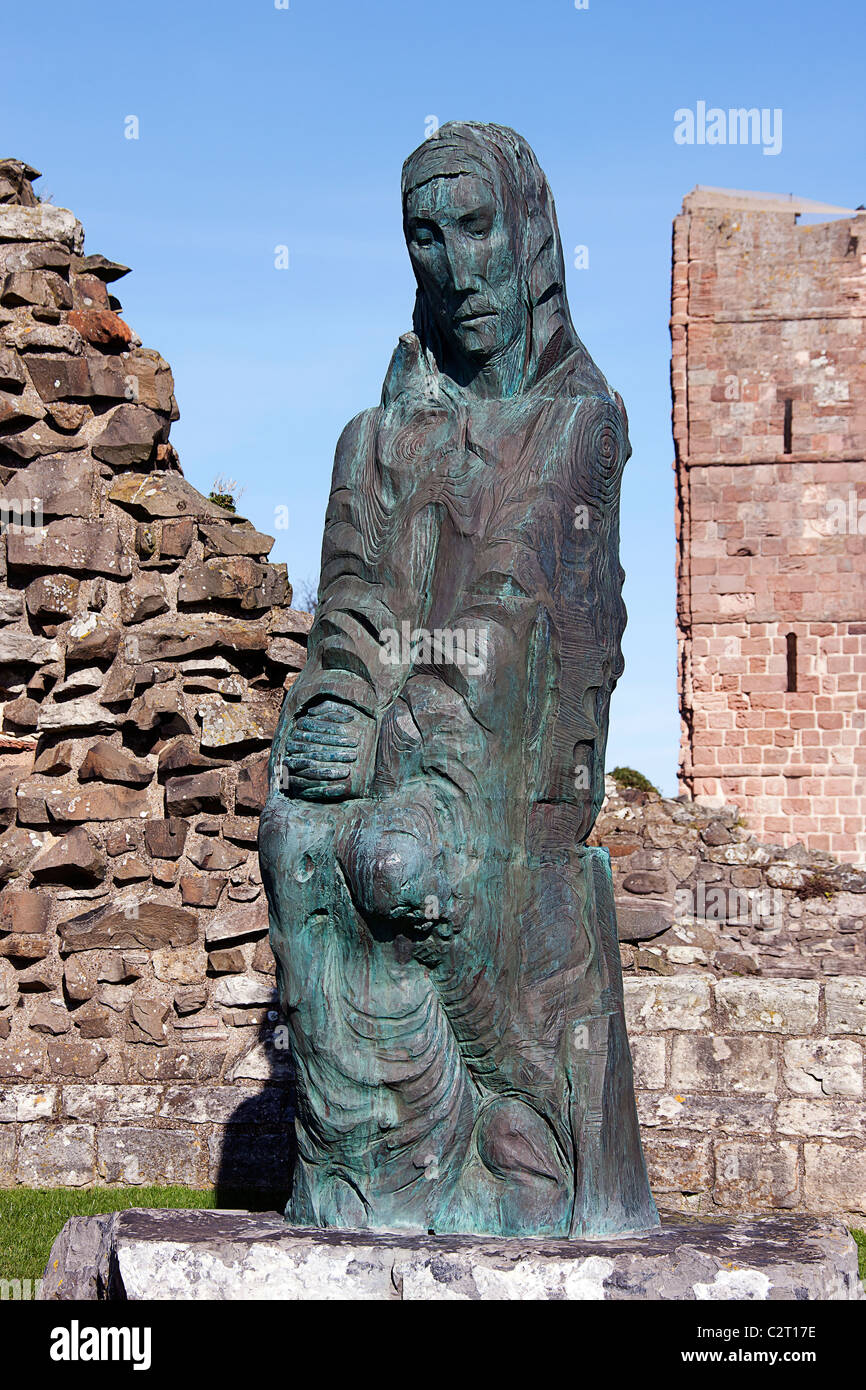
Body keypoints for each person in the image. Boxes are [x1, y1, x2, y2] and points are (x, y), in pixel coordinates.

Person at [259, 122, 658, 1238]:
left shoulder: (577, 423)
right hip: (404, 739)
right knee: (296, 838)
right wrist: (335, 705)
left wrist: (393, 735)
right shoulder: (372, 438)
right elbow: (347, 605)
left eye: (474, 226)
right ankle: (372, 1174)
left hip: (500, 769)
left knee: (391, 859)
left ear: (527, 236)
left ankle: (514, 1156)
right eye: (422, 236)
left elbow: (512, 614)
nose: (450, 263)